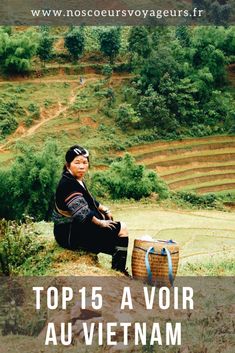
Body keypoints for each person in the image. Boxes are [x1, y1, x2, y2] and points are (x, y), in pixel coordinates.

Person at [52, 145, 129, 275]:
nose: (81, 166)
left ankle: (118, 269)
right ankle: (119, 270)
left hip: (74, 229)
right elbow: (82, 213)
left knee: (114, 233)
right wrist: (101, 223)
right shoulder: (68, 184)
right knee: (122, 229)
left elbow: (89, 200)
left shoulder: (75, 179)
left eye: (85, 162)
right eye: (77, 162)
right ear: (68, 164)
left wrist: (104, 209)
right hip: (69, 234)